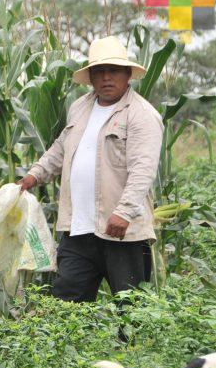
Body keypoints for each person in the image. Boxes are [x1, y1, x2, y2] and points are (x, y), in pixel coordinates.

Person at [18, 36, 163, 302]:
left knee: (130, 309)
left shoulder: (141, 114)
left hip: (122, 231)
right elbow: (61, 148)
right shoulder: (80, 107)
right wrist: (34, 174)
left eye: (114, 70)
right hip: (77, 229)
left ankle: (130, 347)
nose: (106, 77)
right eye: (99, 71)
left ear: (128, 74)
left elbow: (143, 169)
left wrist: (124, 211)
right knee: (67, 304)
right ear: (91, 76)